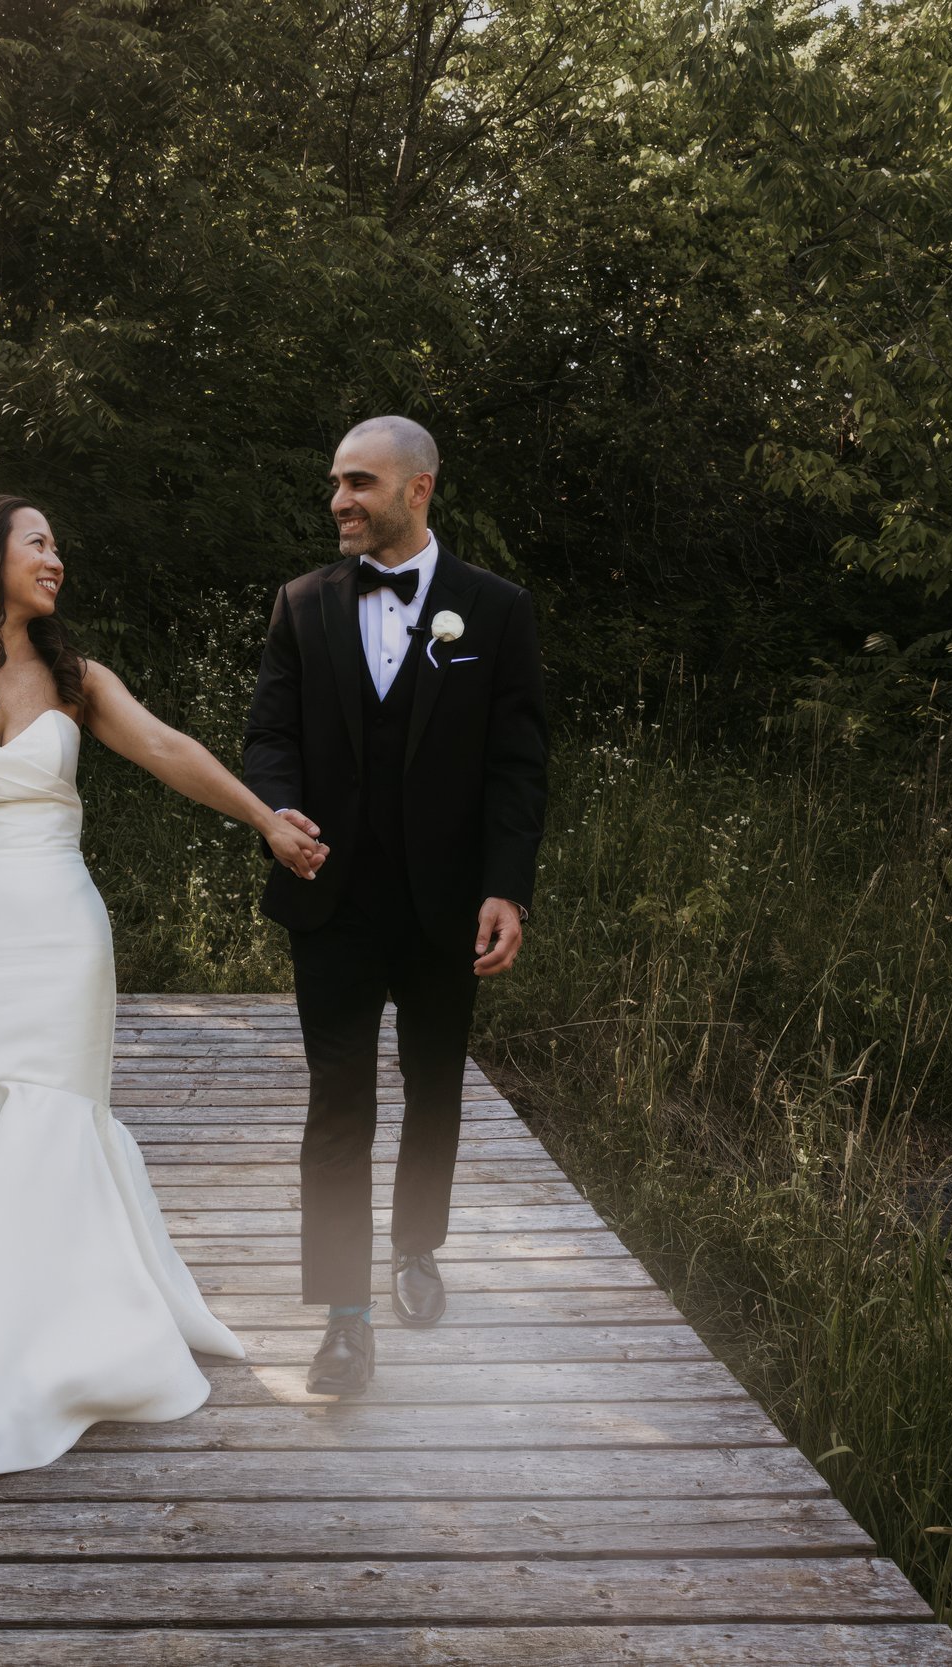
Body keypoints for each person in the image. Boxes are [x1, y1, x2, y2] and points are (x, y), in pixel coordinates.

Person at [0, 492, 329, 1475]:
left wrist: (265, 817)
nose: (57, 559)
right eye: (39, 542)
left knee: (48, 1121)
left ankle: (30, 1339)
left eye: (57, 546)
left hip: (60, 933)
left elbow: (168, 748)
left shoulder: (76, 677)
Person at [242, 416, 550, 1396]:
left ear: (418, 489)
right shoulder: (300, 604)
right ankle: (342, 1317)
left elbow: (516, 765)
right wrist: (275, 808)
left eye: (358, 482)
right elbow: (270, 735)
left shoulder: (493, 611)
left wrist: (506, 884)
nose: (338, 499)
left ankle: (417, 1245)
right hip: (327, 897)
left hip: (445, 902)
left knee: (433, 1086)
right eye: (334, 480)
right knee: (338, 1104)